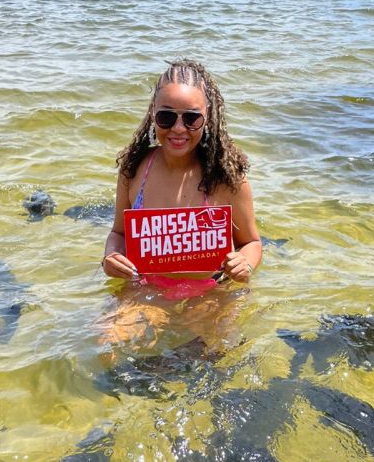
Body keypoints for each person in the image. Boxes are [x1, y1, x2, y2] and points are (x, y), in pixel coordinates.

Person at [101, 59, 261, 299]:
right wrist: (110, 257)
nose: (178, 128)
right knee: (106, 336)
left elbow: (251, 242)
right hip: (146, 286)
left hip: (211, 291)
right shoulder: (134, 169)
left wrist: (245, 264)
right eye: (166, 117)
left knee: (208, 338)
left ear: (208, 118)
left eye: (191, 118)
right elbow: (119, 234)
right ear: (152, 114)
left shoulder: (226, 177)